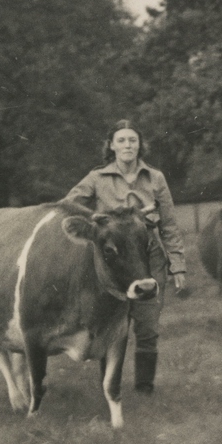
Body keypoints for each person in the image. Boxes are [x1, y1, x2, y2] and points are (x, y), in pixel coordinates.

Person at [65, 121, 186, 394]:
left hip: (148, 255)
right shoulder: (97, 178)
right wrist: (95, 220)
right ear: (111, 146)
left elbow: (169, 225)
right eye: (121, 140)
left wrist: (177, 265)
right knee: (110, 326)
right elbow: (69, 203)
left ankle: (144, 388)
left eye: (133, 140)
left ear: (140, 145)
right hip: (113, 261)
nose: (128, 145)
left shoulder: (155, 178)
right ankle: (110, 388)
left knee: (147, 326)